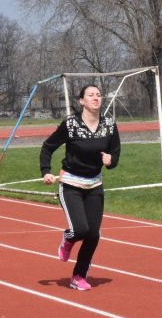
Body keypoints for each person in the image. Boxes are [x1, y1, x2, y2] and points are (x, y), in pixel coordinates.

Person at [40, 84, 121, 290]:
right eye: (91, 95)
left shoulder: (109, 125)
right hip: (70, 183)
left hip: (95, 184)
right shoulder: (71, 124)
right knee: (80, 229)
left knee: (93, 234)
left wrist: (111, 160)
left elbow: (115, 156)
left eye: (98, 95)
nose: (96, 98)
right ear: (81, 101)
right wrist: (46, 171)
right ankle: (68, 238)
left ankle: (78, 276)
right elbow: (48, 147)